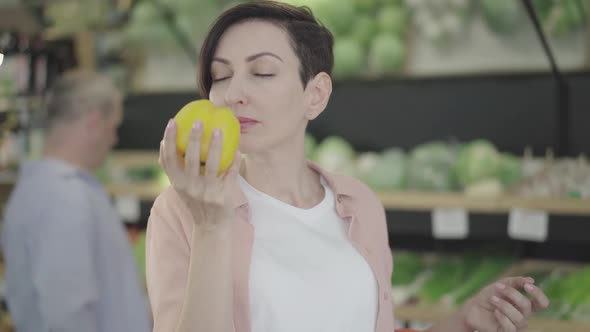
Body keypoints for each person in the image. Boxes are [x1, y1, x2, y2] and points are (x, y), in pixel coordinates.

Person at [146, 2, 550, 332]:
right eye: (221, 76)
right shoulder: (181, 211)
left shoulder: (359, 203)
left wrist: (461, 322)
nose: (233, 93)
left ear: (316, 94)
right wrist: (211, 226)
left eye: (262, 71)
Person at [1, 71, 151, 332]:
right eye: (113, 127)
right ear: (93, 123)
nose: (113, 140)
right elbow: (68, 315)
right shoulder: (63, 198)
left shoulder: (39, 190)